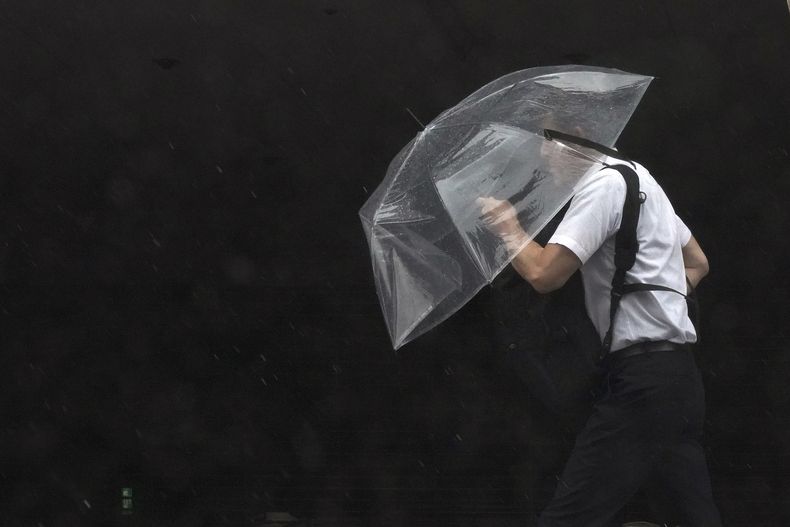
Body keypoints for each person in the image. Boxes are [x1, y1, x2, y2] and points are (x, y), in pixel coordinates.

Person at [477, 147, 722, 527]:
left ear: (568, 139)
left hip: (640, 382)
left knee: (566, 518)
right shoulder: (640, 178)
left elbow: (545, 274)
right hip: (678, 379)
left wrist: (509, 228)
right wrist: (659, 301)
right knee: (692, 517)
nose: (543, 154)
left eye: (547, 142)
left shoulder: (601, 186)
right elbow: (698, 262)